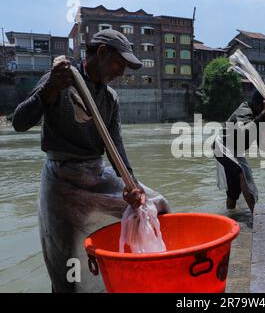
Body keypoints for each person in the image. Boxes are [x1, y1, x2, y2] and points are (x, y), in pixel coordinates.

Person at [12, 29, 170, 293]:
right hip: (61, 181)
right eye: (120, 64)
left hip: (96, 175)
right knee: (66, 269)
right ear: (102, 53)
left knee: (155, 207)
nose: (121, 72)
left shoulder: (110, 98)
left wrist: (130, 184)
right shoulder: (61, 79)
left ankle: (140, 277)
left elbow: (115, 145)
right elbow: (19, 122)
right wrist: (49, 90)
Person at [213, 89, 265, 213]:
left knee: (233, 192)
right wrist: (263, 113)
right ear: (258, 105)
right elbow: (243, 133)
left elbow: (263, 145)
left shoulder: (260, 114)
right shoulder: (245, 110)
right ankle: (255, 215)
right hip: (222, 146)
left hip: (236, 150)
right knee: (243, 173)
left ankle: (231, 215)